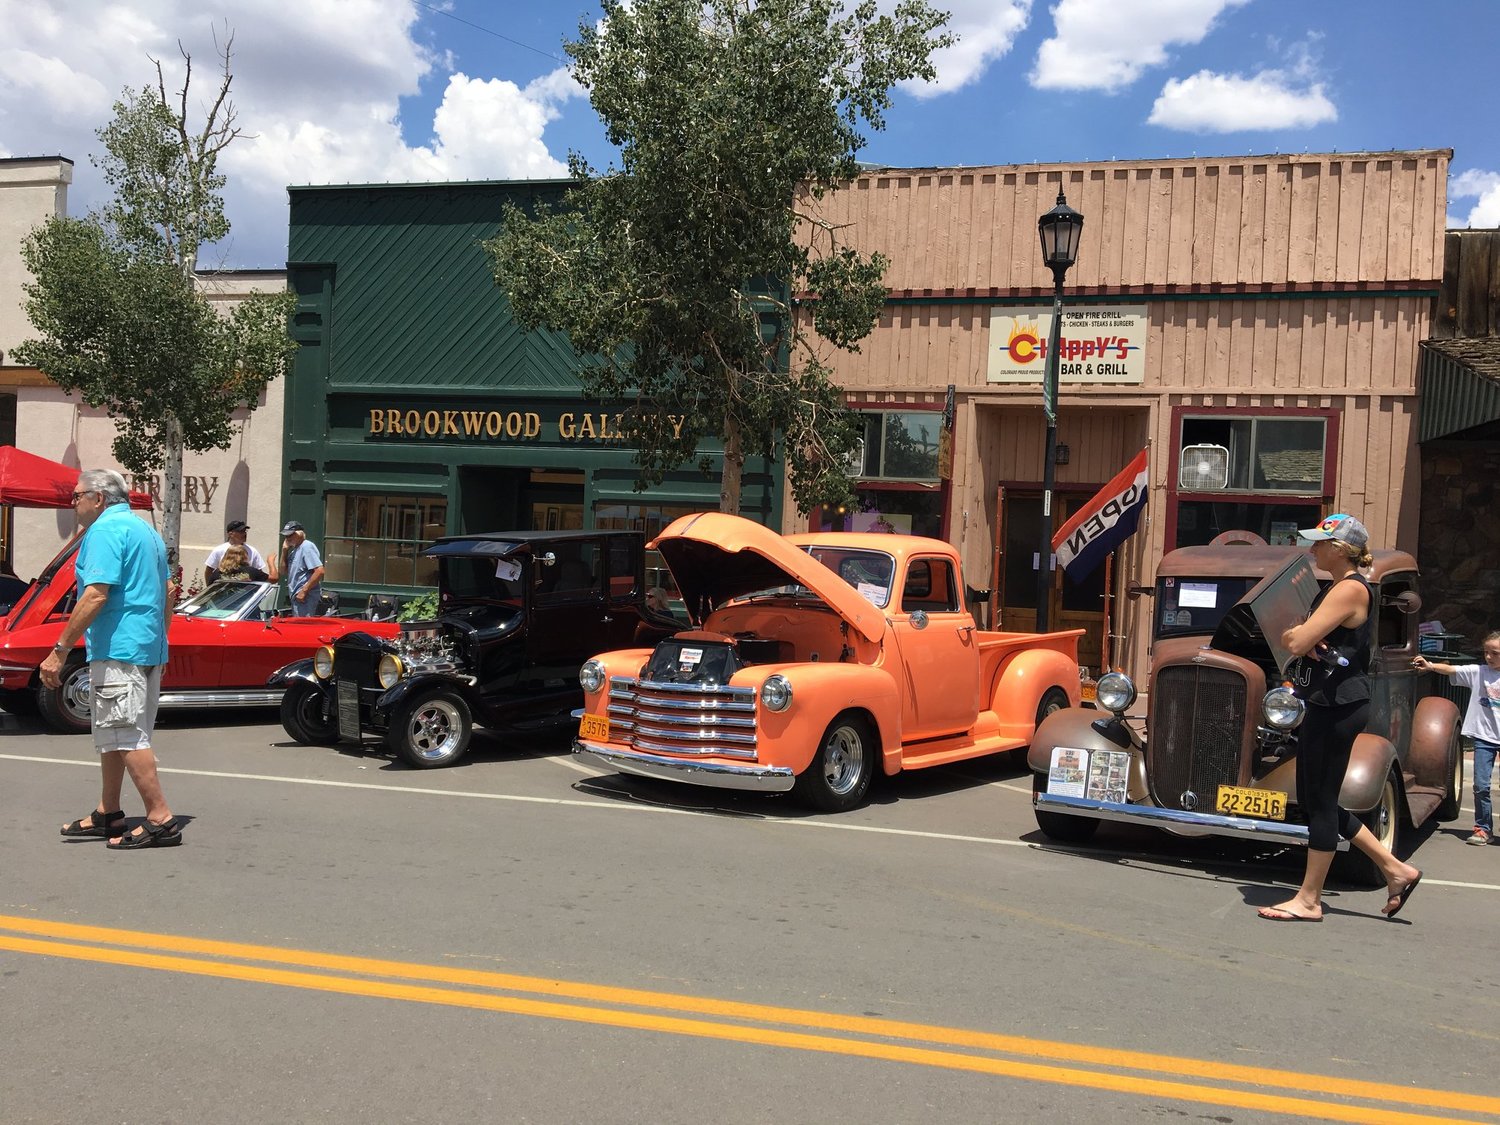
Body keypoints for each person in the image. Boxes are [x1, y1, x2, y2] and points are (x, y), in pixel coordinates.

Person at [1258, 513, 1421, 922]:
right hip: (1329, 702)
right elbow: (1304, 639)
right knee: (1317, 799)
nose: (1312, 549)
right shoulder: (1339, 588)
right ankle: (1395, 868)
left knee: (1322, 803)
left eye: (1319, 543)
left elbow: (1295, 639)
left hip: (1338, 705)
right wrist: (1303, 637)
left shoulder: (1348, 589)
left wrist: (1299, 636)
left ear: (1340, 549)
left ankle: (1309, 900)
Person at [43, 469, 182, 849]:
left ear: (99, 498)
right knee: (113, 734)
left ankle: (160, 817)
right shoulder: (145, 531)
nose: (73, 503)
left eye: (76, 496)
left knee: (123, 733)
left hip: (120, 648)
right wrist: (162, 643)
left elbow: (95, 596)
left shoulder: (104, 532)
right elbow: (169, 590)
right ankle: (109, 812)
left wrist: (59, 651)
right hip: (145, 647)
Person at [1414, 630, 1500, 846]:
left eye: (1495, 653)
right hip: (1484, 738)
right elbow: (1452, 668)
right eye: (1486, 652)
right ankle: (1483, 829)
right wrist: (1431, 665)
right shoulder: (1479, 672)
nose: (1489, 657)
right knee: (1481, 785)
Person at [280, 520, 325, 617]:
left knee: (304, 627)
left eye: (290, 535)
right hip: (296, 597)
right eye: (286, 536)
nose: (287, 538)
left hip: (305, 598)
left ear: (299, 534)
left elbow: (319, 571)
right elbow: (283, 571)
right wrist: (284, 551)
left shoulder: (306, 546)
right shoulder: (294, 550)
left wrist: (304, 591)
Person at [203, 520, 269, 585]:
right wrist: (210, 588)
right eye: (240, 531)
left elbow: (259, 572)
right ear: (230, 534)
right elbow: (209, 570)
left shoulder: (252, 551)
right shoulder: (219, 550)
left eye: (245, 531)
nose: (244, 534)